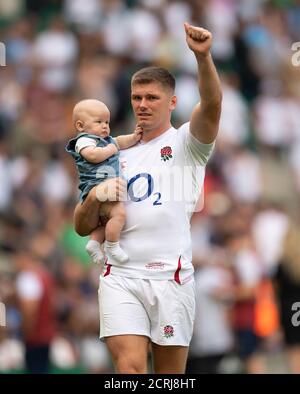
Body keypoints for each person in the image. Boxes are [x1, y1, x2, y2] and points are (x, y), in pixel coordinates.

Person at [74, 23, 222, 374]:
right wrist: (95, 197)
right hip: (121, 275)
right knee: (130, 371)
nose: (142, 105)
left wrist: (203, 58)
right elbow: (81, 225)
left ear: (172, 102)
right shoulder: (110, 152)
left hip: (171, 278)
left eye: (151, 98)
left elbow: (213, 103)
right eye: (136, 98)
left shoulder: (188, 144)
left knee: (169, 378)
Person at [66, 99, 143, 264]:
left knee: (106, 220)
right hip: (96, 184)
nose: (105, 126)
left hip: (107, 185)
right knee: (119, 214)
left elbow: (120, 141)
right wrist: (111, 148)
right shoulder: (84, 140)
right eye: (99, 122)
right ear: (80, 126)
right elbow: (93, 155)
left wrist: (134, 137)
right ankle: (112, 246)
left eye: (107, 122)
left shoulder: (107, 141)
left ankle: (94, 243)